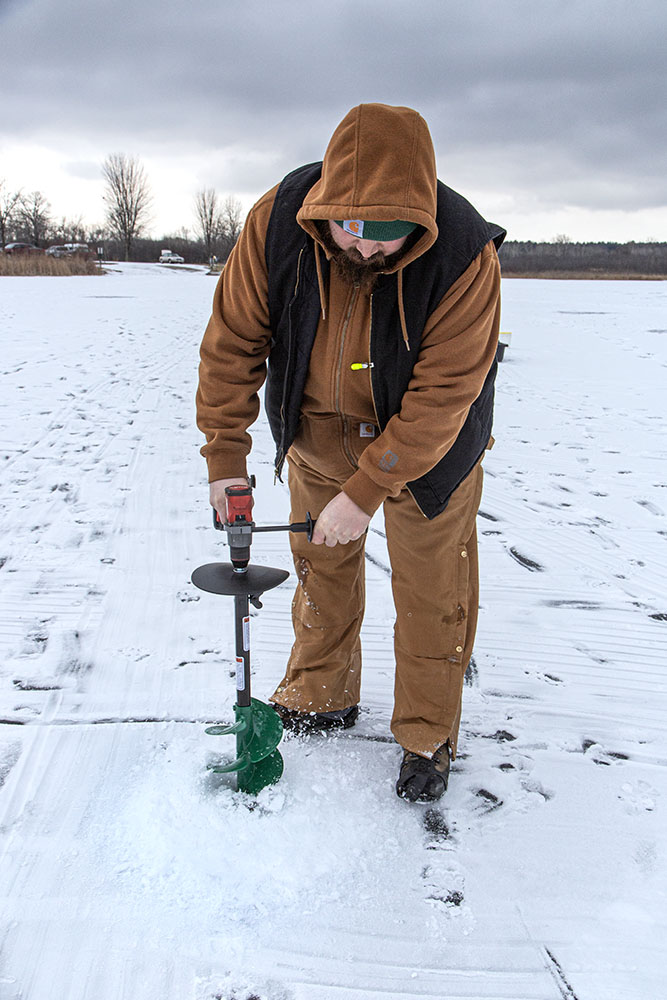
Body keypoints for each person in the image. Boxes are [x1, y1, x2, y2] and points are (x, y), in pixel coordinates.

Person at [196, 103, 505, 803]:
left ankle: (427, 735)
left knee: (433, 594)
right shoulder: (276, 222)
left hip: (427, 452)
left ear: (418, 222)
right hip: (316, 435)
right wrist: (224, 456)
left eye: (388, 238)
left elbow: (442, 396)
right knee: (321, 570)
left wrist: (366, 493)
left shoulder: (461, 252)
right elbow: (233, 344)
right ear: (324, 206)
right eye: (350, 230)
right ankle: (319, 693)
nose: (365, 250)